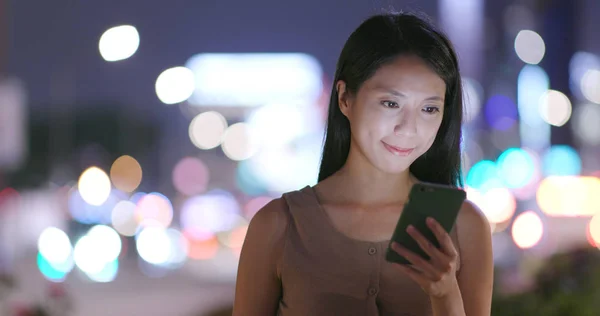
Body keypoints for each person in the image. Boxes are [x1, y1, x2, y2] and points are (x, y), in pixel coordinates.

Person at [233, 11, 493, 316]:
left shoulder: (463, 225)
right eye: (391, 103)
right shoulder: (278, 225)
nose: (408, 128)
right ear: (345, 98)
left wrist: (445, 293)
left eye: (429, 108)